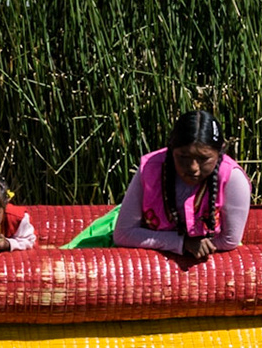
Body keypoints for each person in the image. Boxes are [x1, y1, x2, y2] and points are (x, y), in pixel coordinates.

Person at [85, 109, 249, 263]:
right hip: (148, 249)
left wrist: (195, 244)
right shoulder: (150, 168)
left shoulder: (232, 178)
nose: (192, 167)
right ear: (171, 150)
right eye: (183, 156)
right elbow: (123, 234)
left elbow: (229, 240)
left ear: (220, 151)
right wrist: (182, 243)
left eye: (203, 158)